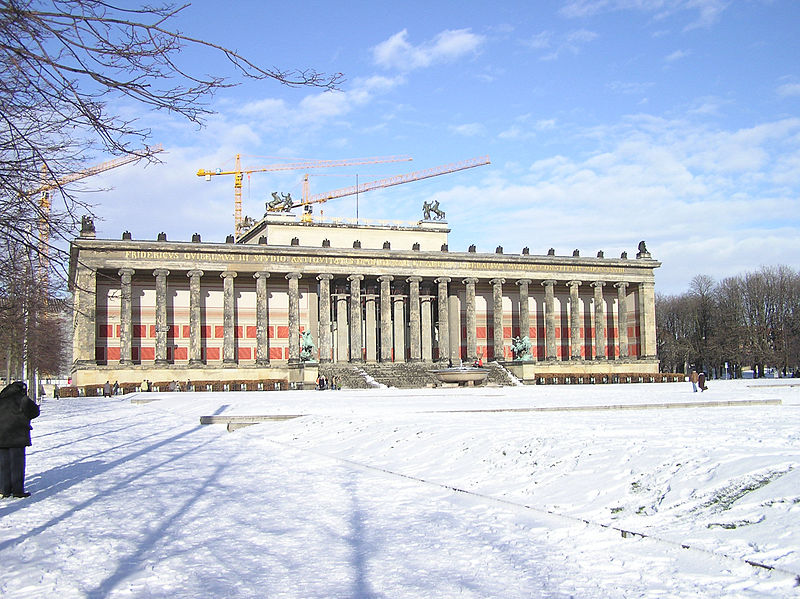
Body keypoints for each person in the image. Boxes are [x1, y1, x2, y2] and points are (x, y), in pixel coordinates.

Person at [0, 382, 40, 498]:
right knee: (17, 464)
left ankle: (4, 489)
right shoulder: (23, 399)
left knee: (3, 464)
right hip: (17, 436)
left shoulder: (1, 399)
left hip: (1, 436)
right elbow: (34, 412)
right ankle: (18, 491)